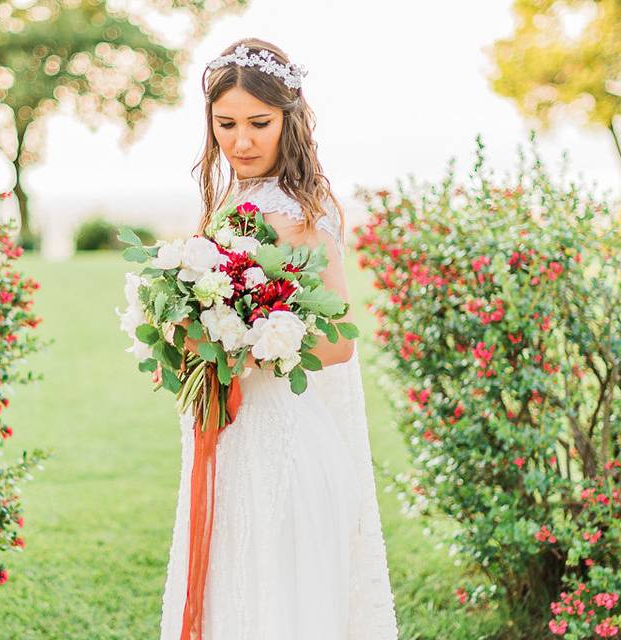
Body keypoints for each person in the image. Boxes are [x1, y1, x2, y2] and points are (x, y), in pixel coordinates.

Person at [159, 38, 400, 640]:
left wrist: (250, 338)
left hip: (284, 446)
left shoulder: (302, 212)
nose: (242, 141)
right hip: (232, 439)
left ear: (288, 120)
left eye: (259, 123)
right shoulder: (229, 201)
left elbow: (340, 342)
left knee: (280, 606)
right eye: (227, 124)